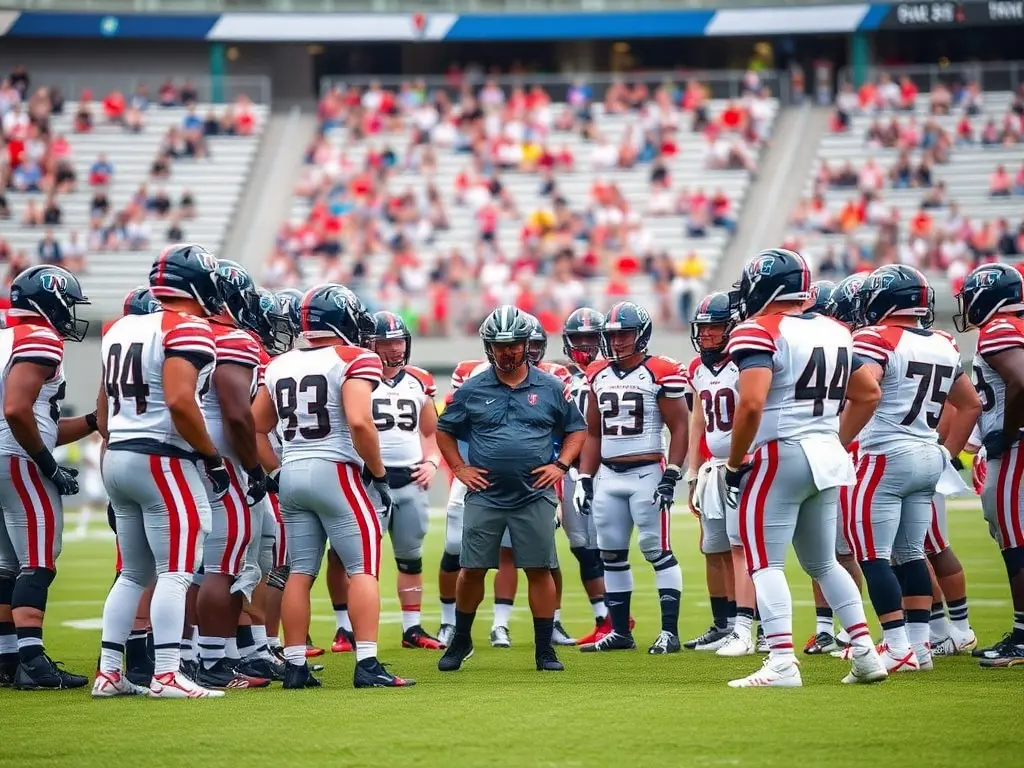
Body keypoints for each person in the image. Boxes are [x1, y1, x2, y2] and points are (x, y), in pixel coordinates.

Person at [722, 248, 886, 688]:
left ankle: (780, 661)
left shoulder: (758, 329)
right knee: (824, 562)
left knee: (764, 562)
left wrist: (735, 462)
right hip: (825, 453)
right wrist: (833, 436)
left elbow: (753, 402)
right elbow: (868, 393)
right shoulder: (835, 330)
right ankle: (866, 654)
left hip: (779, 452)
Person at [255, 284, 413, 689]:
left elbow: (255, 428)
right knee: (363, 569)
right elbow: (360, 422)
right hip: (337, 470)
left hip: (291, 471)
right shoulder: (354, 357)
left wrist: (275, 472)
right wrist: (378, 475)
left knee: (300, 571)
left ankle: (293, 665)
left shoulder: (277, 364)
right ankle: (367, 663)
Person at [94, 243, 230, 699]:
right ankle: (167, 673)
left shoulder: (121, 327)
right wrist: (211, 457)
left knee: (133, 572)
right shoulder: (187, 327)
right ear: (194, 283)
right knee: (176, 570)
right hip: (162, 457)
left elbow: (101, 409)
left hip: (120, 453)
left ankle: (109, 671)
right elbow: (178, 400)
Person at [844, 265, 980, 673]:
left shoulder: (875, 337)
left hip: (886, 453)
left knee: (873, 555)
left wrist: (835, 440)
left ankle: (897, 645)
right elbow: (970, 403)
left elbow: (866, 390)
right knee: (911, 553)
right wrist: (948, 454)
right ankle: (919, 649)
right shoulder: (942, 341)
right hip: (927, 454)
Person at [436, 305, 587, 673]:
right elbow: (444, 430)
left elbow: (577, 428)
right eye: (499, 345)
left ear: (526, 345)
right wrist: (459, 468)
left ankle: (543, 649)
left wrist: (561, 465)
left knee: (539, 568)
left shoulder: (552, 387)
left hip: (533, 492)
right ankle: (461, 639)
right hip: (485, 493)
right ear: (488, 347)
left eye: (513, 344)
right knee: (471, 569)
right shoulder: (472, 389)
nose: (507, 352)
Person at [576, 301, 690, 655]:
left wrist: (672, 472)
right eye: (612, 335)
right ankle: (621, 632)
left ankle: (669, 631)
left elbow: (681, 425)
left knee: (657, 551)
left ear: (641, 334)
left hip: (646, 472)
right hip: (609, 475)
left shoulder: (660, 370)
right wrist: (584, 476)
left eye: (624, 334)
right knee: (611, 554)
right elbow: (593, 432)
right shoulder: (598, 373)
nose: (618, 341)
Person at [0, 265, 94, 690]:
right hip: (17, 457)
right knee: (37, 561)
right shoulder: (38, 337)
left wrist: (93, 421)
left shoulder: (5, 337)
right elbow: (18, 411)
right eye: (66, 303)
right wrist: (47, 464)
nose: (69, 312)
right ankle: (33, 662)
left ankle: (6, 660)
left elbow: (42, 421)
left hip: (6, 456)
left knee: (5, 566)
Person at [192, 260, 271, 691]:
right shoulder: (231, 339)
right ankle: (211, 660)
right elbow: (238, 417)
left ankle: (176, 655)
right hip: (219, 463)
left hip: (179, 458)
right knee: (222, 566)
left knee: (180, 566)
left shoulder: (179, 332)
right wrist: (254, 467)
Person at [953, 263, 1024, 667]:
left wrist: (1009, 432)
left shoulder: (999, 328)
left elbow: (1022, 381)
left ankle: (1023, 635)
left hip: (1017, 450)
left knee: (1016, 541)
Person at [684, 292, 761, 657]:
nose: (708, 335)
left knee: (741, 547)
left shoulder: (748, 360)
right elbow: (698, 417)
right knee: (713, 548)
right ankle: (725, 624)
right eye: (703, 328)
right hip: (714, 468)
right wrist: (693, 471)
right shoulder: (697, 368)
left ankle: (752, 625)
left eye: (715, 327)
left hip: (744, 465)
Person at [364, 311, 444, 650]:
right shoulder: (358, 377)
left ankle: (412, 628)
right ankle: (345, 628)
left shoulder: (419, 381)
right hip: (368, 480)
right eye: (386, 342)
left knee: (410, 557)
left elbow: (431, 432)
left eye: (398, 341)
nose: (395, 349)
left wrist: (433, 462)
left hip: (410, 478)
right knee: (355, 558)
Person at [560, 307, 612, 646]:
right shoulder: (561, 377)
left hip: (605, 468)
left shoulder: (612, 373)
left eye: (591, 338)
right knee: (581, 546)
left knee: (608, 547)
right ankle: (604, 617)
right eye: (578, 338)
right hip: (570, 468)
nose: (584, 345)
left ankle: (615, 617)